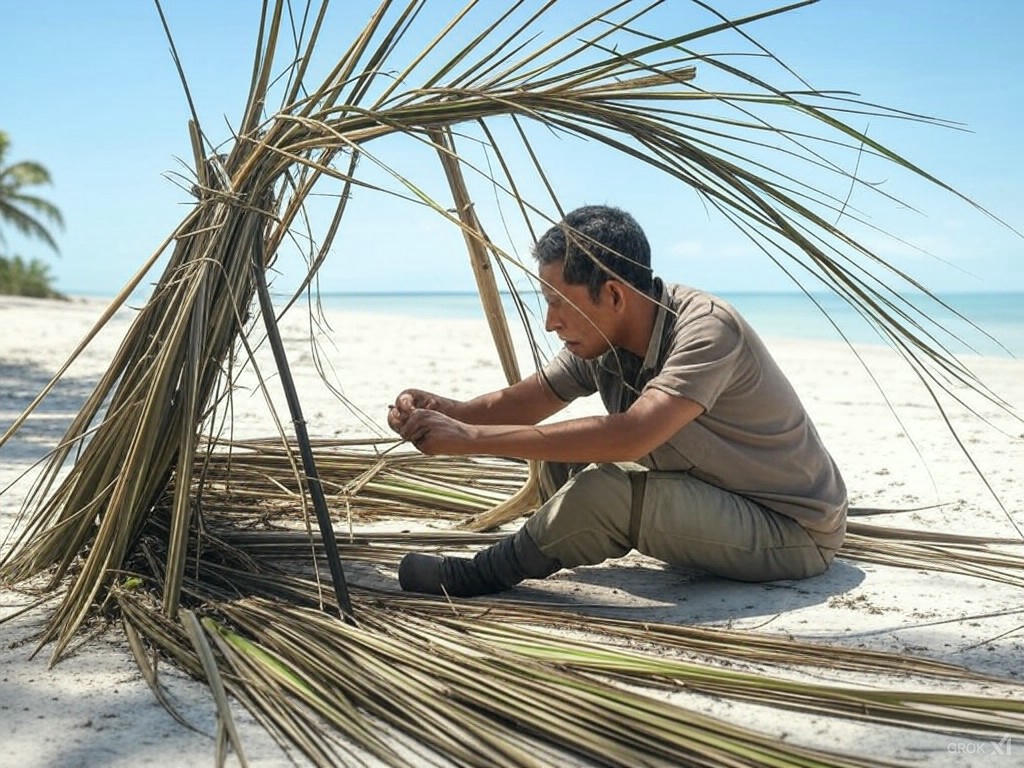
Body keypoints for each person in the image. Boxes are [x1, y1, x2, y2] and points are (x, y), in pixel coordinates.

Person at [388, 205, 847, 597]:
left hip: (790, 529)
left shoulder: (706, 329)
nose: (550, 323)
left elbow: (632, 436)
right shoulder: (603, 338)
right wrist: (445, 412)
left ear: (612, 294)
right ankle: (551, 540)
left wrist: (469, 440)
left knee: (601, 488)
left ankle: (478, 574)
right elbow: (530, 401)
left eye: (557, 302)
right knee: (561, 456)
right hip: (717, 493)